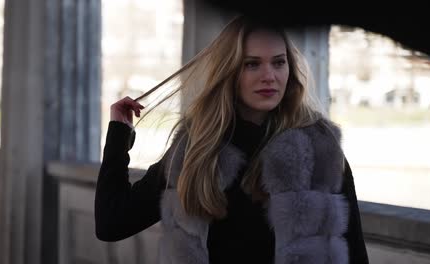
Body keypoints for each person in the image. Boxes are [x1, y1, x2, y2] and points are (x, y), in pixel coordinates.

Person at [95, 15, 369, 264]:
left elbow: (355, 252)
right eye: (252, 64)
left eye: (278, 62)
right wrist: (119, 135)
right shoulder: (196, 149)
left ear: (290, 68)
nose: (269, 76)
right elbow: (112, 223)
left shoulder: (318, 150)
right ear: (230, 72)